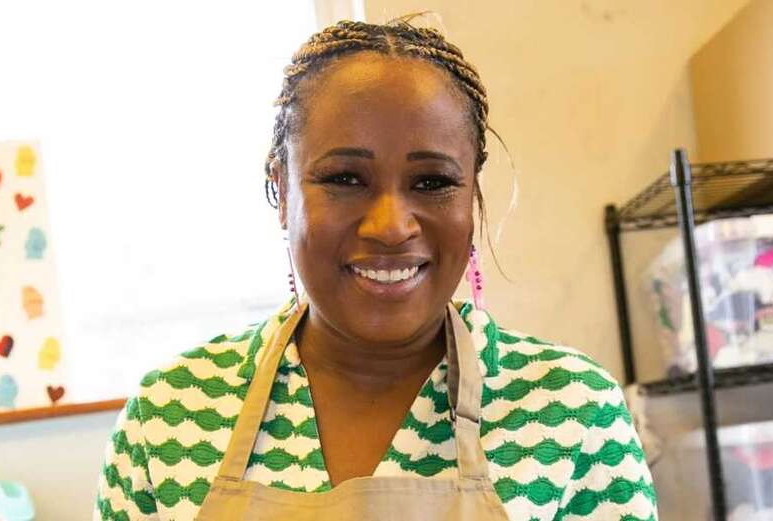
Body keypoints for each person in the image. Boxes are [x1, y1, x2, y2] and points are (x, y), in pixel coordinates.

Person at [95, 19, 657, 520]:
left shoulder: (572, 411)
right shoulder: (171, 415)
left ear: (472, 200)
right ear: (282, 191)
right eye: (344, 179)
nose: (391, 226)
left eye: (432, 182)